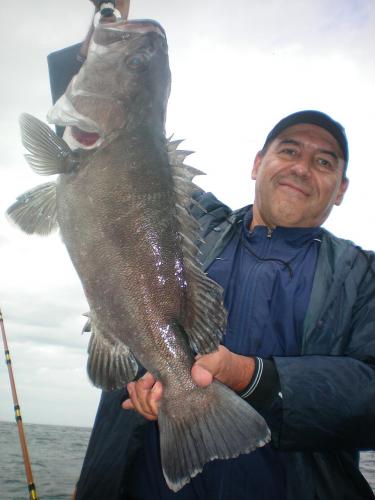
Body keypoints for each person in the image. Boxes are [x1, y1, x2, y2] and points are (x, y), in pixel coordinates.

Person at [48, 3, 375, 499]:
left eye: (323, 161)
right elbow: (106, 154)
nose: (302, 167)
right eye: (288, 150)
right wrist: (105, 29)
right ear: (257, 163)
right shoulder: (196, 223)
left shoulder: (363, 274)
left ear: (342, 188)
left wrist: (253, 376)